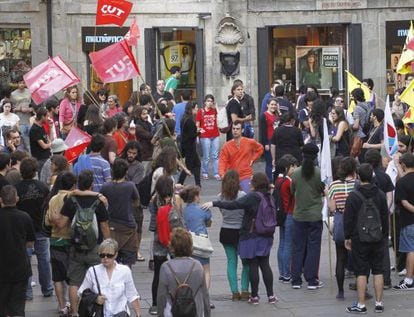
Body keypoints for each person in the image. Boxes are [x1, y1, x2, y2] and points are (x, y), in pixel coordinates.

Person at [202, 173, 277, 305]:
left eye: (251, 181)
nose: (248, 183)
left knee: (250, 264)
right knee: (265, 265)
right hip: (266, 235)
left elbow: (233, 205)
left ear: (255, 183)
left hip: (251, 234)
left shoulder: (251, 197)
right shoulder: (269, 196)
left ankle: (252, 296)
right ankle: (270, 296)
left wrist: (214, 203)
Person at [55, 169, 111, 317]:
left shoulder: (72, 200)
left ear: (78, 184)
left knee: (74, 282)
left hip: (76, 247)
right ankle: (97, 310)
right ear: (92, 185)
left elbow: (61, 224)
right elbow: (104, 226)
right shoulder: (98, 201)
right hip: (95, 248)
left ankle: (74, 313)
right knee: (98, 279)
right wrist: (109, 244)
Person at [344, 163, 389, 314]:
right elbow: (385, 217)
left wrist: (347, 236)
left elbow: (348, 219)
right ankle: (379, 303)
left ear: (358, 176)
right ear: (372, 176)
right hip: (377, 237)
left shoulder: (353, 196)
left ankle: (361, 304)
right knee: (378, 270)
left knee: (361, 272)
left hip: (359, 238)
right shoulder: (381, 195)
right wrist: (384, 236)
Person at [15, 157, 53, 300]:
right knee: (44, 260)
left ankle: (27, 292)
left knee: (26, 261)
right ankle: (47, 288)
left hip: (23, 231)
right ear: (35, 171)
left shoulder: (17, 188)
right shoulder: (43, 187)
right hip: (40, 228)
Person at [290, 143, 325, 290]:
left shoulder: (296, 173)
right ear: (316, 156)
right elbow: (322, 190)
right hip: (315, 215)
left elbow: (293, 190)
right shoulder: (319, 173)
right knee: (313, 247)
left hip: (299, 215)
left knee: (298, 247)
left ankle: (296, 279)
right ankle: (312, 279)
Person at [78, 238, 142, 317]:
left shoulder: (125, 271)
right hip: (100, 314)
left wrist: (138, 315)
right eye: (102, 255)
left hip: (120, 314)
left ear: (115, 255)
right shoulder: (92, 271)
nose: (105, 258)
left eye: (109, 255)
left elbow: (132, 295)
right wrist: (95, 298)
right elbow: (81, 292)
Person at [157, 228, 210, 317]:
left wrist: (160, 313)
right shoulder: (197, 266)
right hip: (195, 311)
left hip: (172, 311)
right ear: (190, 246)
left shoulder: (166, 267)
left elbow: (161, 296)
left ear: (172, 247)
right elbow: (205, 295)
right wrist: (208, 313)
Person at [0, 185, 35, 317]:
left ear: (0, 200)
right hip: (20, 267)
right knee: (18, 306)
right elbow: (30, 242)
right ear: (17, 199)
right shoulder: (24, 217)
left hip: (1, 269)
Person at [45, 172, 77, 316]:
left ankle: (62, 306)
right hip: (70, 240)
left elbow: (47, 221)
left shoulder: (53, 199)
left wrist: (54, 218)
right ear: (73, 184)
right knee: (72, 276)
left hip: (55, 240)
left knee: (57, 276)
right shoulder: (73, 198)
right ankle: (74, 305)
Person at [216, 170, 249, 300]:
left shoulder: (220, 197)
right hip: (241, 231)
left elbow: (221, 211)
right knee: (246, 262)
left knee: (231, 261)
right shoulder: (243, 195)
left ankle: (234, 292)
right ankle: (245, 290)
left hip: (226, 230)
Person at [101, 158, 140, 267]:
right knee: (127, 264)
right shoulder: (130, 186)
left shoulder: (106, 186)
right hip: (128, 226)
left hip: (111, 225)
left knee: (112, 261)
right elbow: (137, 202)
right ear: (126, 172)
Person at [328, 157, 357, 299]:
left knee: (340, 258)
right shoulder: (357, 184)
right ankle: (360, 285)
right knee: (359, 257)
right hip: (356, 222)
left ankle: (340, 291)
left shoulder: (333, 185)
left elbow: (332, 207)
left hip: (340, 221)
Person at [180, 185, 213, 306]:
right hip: (201, 242)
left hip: (189, 242)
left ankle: (191, 294)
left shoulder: (184, 210)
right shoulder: (203, 210)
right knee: (206, 270)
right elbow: (209, 223)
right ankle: (205, 296)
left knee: (190, 269)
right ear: (195, 197)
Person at [148, 175, 176, 315]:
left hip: (160, 240)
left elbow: (153, 226)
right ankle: (177, 300)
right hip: (175, 239)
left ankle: (155, 304)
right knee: (177, 269)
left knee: (158, 273)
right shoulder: (176, 200)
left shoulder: (153, 201)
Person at [218, 121, 264, 193]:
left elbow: (260, 148)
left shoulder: (250, 142)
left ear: (242, 130)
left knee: (247, 197)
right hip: (232, 177)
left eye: (237, 129)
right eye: (233, 129)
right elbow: (222, 161)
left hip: (246, 175)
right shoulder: (226, 146)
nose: (235, 131)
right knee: (230, 200)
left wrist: (253, 159)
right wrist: (222, 174)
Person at [275, 154, 298, 284]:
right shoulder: (288, 182)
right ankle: (286, 273)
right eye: (293, 166)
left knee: (282, 243)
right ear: (286, 168)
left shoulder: (278, 181)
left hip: (281, 215)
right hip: (290, 214)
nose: (295, 169)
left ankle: (281, 272)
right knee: (288, 244)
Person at [121, 141, 146, 262]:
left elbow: (135, 183)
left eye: (133, 153)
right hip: (121, 199)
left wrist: (123, 176)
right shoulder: (120, 162)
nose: (131, 155)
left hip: (135, 200)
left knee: (138, 226)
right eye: (129, 152)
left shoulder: (139, 166)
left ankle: (137, 250)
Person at [393, 153, 414, 290]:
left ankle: (409, 279)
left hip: (408, 221)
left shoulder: (401, 182)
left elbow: (404, 202)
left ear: (404, 165)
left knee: (410, 250)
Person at [196, 94, 220, 180]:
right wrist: (199, 130)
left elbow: (220, 119)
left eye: (211, 101)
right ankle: (205, 172)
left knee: (215, 155)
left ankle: (216, 173)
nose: (210, 103)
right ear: (205, 102)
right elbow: (197, 124)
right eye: (208, 101)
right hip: (205, 136)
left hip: (215, 135)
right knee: (206, 156)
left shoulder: (214, 111)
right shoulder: (201, 112)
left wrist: (216, 107)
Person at [178, 101, 201, 187]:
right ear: (192, 109)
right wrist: (198, 132)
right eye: (196, 107)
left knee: (197, 164)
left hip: (186, 145)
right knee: (188, 167)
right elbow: (192, 135)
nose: (197, 109)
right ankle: (179, 183)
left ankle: (198, 184)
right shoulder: (190, 121)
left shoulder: (184, 118)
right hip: (190, 146)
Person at [259, 97, 279, 181]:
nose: (273, 106)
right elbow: (263, 131)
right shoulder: (264, 115)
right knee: (269, 162)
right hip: (269, 141)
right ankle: (269, 180)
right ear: (267, 105)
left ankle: (275, 179)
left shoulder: (277, 115)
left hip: (277, 141)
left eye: (275, 105)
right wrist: (265, 143)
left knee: (276, 161)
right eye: (272, 104)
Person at [30, 106, 53, 173]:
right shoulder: (35, 129)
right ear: (42, 116)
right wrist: (50, 144)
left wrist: (50, 127)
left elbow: (49, 140)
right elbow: (44, 146)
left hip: (47, 157)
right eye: (47, 116)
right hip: (40, 159)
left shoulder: (41, 127)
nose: (48, 118)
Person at [10, 77, 32, 145]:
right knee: (22, 142)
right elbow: (11, 108)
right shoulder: (13, 94)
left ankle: (31, 155)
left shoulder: (29, 91)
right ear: (17, 84)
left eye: (23, 83)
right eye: (20, 83)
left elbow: (34, 105)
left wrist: (30, 109)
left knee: (31, 141)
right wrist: (20, 109)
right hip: (19, 121)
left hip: (30, 120)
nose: (22, 84)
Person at [134, 106, 154, 171]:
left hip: (149, 152)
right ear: (139, 115)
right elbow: (148, 135)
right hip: (144, 154)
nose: (146, 116)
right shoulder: (138, 126)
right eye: (144, 114)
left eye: (147, 114)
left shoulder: (147, 124)